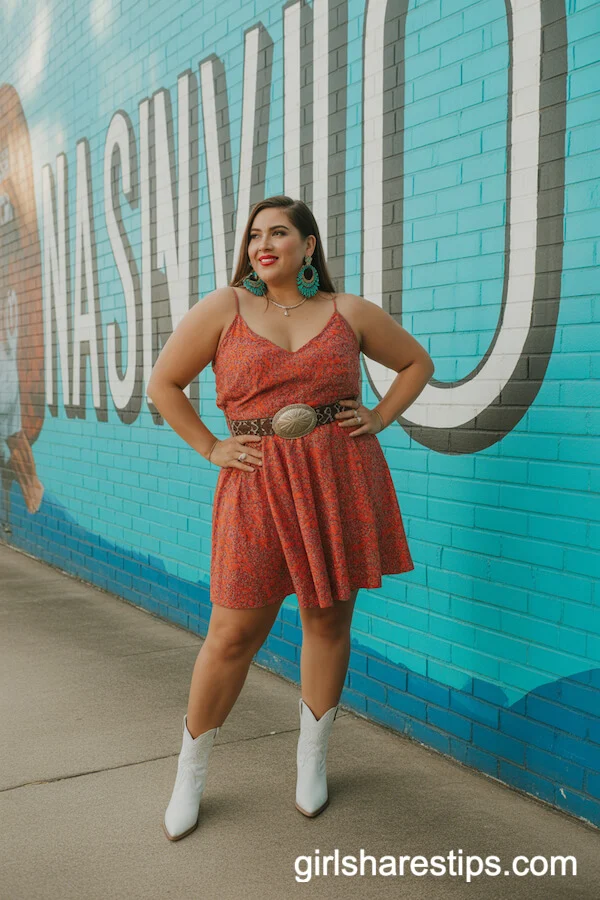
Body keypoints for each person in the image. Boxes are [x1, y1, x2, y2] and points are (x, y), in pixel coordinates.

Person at [147, 195, 434, 841]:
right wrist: (211, 445)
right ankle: (189, 775)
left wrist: (380, 417)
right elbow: (164, 383)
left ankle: (312, 763)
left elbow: (417, 363)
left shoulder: (349, 312)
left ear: (309, 246)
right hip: (256, 484)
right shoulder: (224, 308)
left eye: (279, 232)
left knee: (328, 621)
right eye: (254, 235)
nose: (262, 244)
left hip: (338, 478)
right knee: (231, 634)